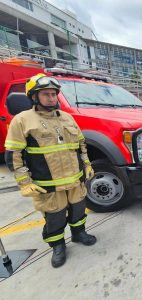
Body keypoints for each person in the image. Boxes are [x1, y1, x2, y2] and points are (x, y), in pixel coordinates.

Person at [4, 74, 97, 268]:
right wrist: (25, 183)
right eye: (46, 94)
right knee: (54, 217)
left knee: (78, 210)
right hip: (48, 183)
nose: (52, 98)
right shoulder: (22, 120)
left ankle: (79, 234)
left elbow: (81, 145)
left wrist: (87, 165)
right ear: (34, 97)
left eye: (54, 94)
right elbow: (14, 154)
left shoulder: (68, 118)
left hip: (75, 180)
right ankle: (58, 246)